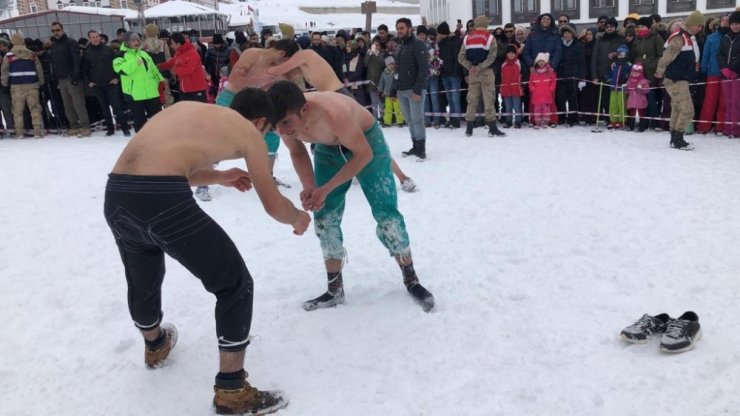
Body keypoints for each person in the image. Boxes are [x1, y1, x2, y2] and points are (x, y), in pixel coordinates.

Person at [104, 92, 309, 415]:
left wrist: (219, 176)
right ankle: (232, 390)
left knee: (142, 273)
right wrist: (298, 217)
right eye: (267, 131)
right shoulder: (248, 133)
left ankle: (155, 344)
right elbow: (273, 204)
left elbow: (169, 166)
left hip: (117, 194)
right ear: (259, 123)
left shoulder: (191, 110)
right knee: (234, 284)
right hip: (162, 201)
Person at [261, 80, 433, 312]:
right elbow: (296, 150)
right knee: (324, 217)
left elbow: (363, 154)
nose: (282, 131)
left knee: (387, 215)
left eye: (285, 123)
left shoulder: (333, 113)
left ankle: (411, 279)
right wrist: (310, 187)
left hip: (366, 143)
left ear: (305, 109)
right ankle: (335, 289)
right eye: (276, 125)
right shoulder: (285, 115)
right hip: (328, 149)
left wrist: (326, 188)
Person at [655, 11, 704, 149]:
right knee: (688, 110)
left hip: (681, 78)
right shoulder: (679, 37)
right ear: (692, 24)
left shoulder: (687, 36)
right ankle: (678, 139)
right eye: (699, 26)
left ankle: (674, 138)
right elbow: (667, 56)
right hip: (676, 79)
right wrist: (659, 71)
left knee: (677, 108)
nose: (700, 29)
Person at [458, 15, 505, 137]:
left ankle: (469, 128)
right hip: (486, 72)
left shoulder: (467, 38)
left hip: (472, 73)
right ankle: (492, 128)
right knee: (489, 100)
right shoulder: (490, 38)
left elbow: (461, 57)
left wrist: (470, 67)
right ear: (486, 25)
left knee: (472, 99)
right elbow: (492, 56)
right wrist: (480, 67)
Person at [113, 32, 164, 132]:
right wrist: (135, 62)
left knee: (157, 119)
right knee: (140, 121)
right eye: (133, 40)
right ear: (127, 42)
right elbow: (121, 70)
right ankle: (142, 142)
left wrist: (160, 80)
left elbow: (153, 69)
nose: (136, 42)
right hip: (134, 94)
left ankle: (159, 138)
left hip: (151, 91)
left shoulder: (144, 53)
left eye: (137, 40)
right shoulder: (120, 55)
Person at [83, 30, 131, 137]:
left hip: (111, 83)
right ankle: (110, 129)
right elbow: (85, 69)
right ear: (89, 39)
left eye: (97, 36)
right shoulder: (87, 52)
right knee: (104, 108)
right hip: (97, 85)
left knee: (117, 107)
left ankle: (125, 128)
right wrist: (89, 81)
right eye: (93, 37)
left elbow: (117, 64)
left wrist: (116, 78)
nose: (96, 38)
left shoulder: (108, 50)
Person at [395, 17, 429, 160]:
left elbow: (424, 69)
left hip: (414, 89)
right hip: (401, 89)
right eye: (397, 28)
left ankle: (421, 149)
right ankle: (415, 145)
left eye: (402, 28)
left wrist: (417, 90)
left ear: (409, 28)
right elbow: (396, 70)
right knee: (409, 120)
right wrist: (393, 89)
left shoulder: (418, 44)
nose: (399, 31)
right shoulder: (401, 46)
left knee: (417, 119)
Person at [50, 21, 91, 137]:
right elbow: (54, 63)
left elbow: (77, 61)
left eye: (57, 30)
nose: (56, 33)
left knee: (78, 103)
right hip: (61, 79)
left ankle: (85, 126)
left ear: (62, 30)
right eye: (53, 31)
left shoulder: (71, 43)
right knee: (67, 105)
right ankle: (74, 126)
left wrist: (75, 76)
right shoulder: (54, 45)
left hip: (71, 78)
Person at [0, 33, 44, 138]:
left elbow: (4, 72)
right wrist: (41, 82)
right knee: (34, 109)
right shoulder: (32, 54)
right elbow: (39, 70)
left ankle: (19, 132)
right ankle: (37, 131)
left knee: (17, 111)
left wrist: (4, 84)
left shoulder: (9, 56)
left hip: (16, 87)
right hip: (32, 85)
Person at [697, 14, 729, 136]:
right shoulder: (712, 37)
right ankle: (704, 125)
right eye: (723, 21)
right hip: (713, 72)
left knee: (723, 101)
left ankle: (720, 127)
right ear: (719, 22)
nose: (725, 23)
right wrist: (704, 68)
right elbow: (706, 55)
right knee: (710, 100)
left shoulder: (732, 37)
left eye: (727, 21)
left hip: (727, 73)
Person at [718, 11, 740, 138]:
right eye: (733, 24)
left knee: (736, 102)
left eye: (738, 24)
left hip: (737, 74)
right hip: (725, 75)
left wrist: (732, 69)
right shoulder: (725, 37)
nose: (735, 26)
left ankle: (736, 128)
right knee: (728, 102)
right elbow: (719, 54)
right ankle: (728, 127)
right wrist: (724, 68)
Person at [529, 53, 556, 129]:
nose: (541, 63)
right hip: (536, 95)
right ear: (537, 62)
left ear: (546, 62)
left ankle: (545, 122)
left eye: (543, 61)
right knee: (537, 109)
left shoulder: (550, 71)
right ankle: (537, 123)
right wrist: (533, 89)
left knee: (546, 109)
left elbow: (553, 81)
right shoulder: (534, 72)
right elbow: (530, 82)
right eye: (539, 61)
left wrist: (550, 89)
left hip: (546, 94)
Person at [500, 44, 525, 129]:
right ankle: (508, 121)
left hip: (516, 89)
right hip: (506, 89)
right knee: (508, 107)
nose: (511, 55)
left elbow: (525, 75)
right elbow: (501, 76)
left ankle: (518, 121)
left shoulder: (519, 63)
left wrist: (522, 84)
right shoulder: (503, 64)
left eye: (513, 53)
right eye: (509, 53)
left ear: (516, 53)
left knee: (517, 106)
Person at [607, 44, 631, 130]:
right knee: (613, 105)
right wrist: (609, 78)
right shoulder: (614, 64)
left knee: (622, 105)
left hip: (622, 88)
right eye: (619, 53)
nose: (621, 54)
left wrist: (627, 81)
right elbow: (611, 73)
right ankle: (613, 121)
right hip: (614, 87)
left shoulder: (628, 65)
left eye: (623, 53)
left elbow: (630, 75)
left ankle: (622, 121)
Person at [625, 62, 651, 131]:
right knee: (632, 114)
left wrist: (641, 90)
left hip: (641, 101)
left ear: (641, 73)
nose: (635, 74)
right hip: (631, 101)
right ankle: (631, 127)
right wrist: (625, 89)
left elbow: (647, 90)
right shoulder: (629, 80)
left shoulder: (643, 81)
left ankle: (642, 127)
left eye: (637, 73)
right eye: (633, 72)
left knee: (641, 114)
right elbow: (627, 90)